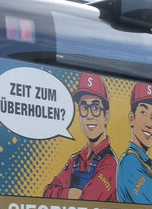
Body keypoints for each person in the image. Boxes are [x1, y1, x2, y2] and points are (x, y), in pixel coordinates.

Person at [43, 73, 117, 201]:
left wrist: (64, 193)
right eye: (84, 108)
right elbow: (47, 192)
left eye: (95, 107)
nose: (89, 115)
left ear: (106, 116)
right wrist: (72, 193)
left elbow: (87, 201)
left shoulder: (110, 163)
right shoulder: (76, 160)